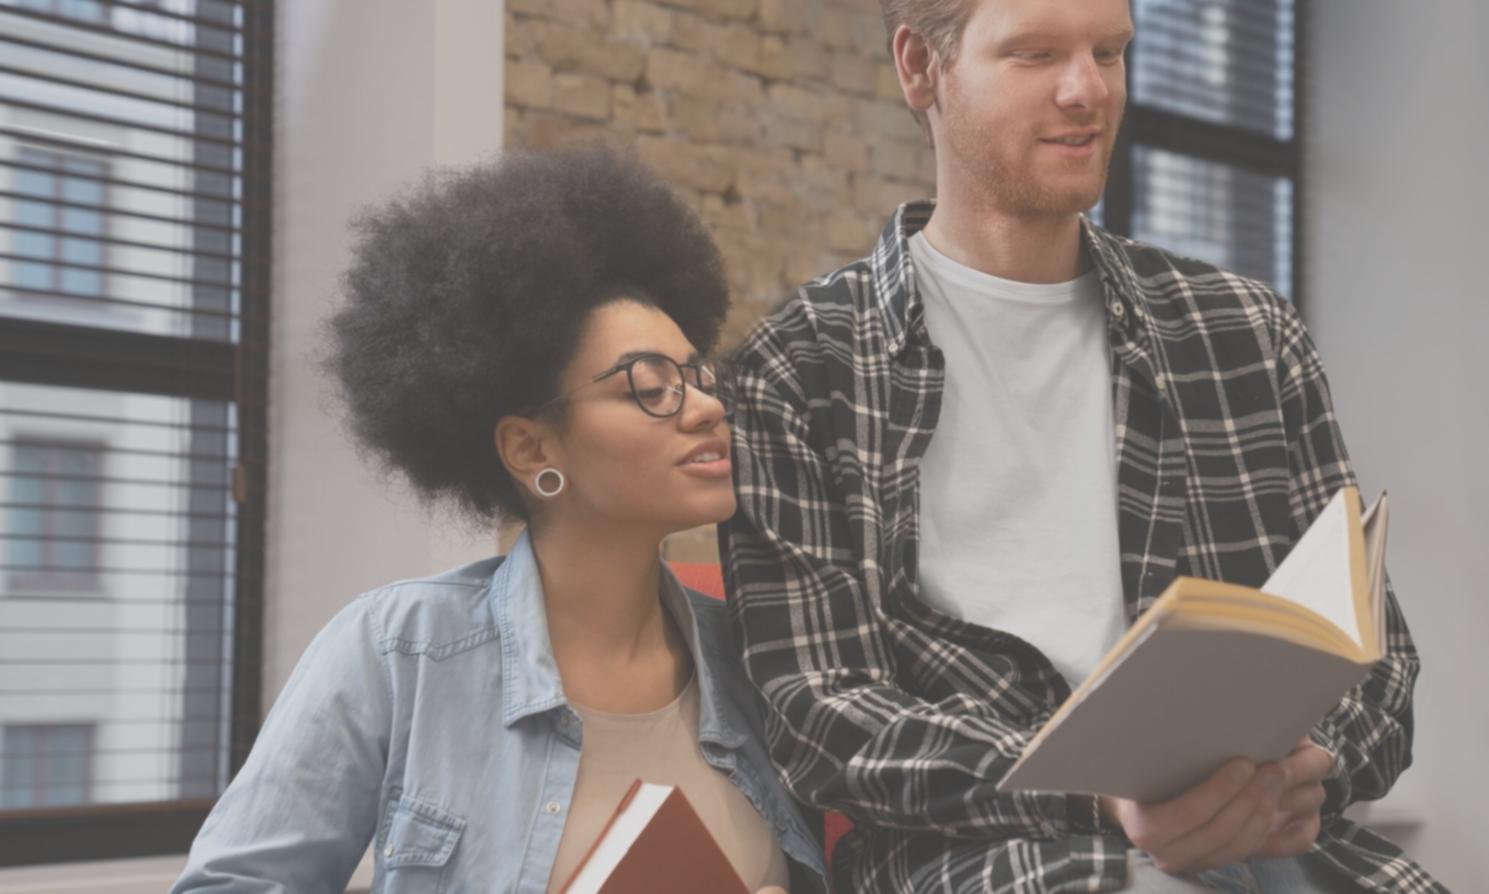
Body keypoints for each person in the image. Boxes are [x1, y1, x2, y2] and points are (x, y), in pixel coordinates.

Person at [719, 0, 1441, 891]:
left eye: (1110, 52)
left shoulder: (1246, 334)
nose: (1086, 89)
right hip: (984, 858)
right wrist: (1096, 791)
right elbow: (818, 714)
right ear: (919, 68)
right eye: (1033, 55)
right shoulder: (797, 371)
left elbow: (1376, 661)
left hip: (1270, 847)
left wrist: (1304, 775)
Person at [172, 146, 824, 893]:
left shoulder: (762, 661)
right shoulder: (399, 652)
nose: (708, 407)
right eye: (649, 387)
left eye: (700, 378)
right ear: (529, 446)